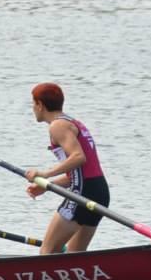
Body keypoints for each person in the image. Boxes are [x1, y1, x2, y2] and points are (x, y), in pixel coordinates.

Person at [23, 82, 109, 255]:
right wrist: (47, 186)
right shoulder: (73, 122)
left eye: (33, 104)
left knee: (46, 253)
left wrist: (44, 174)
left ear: (40, 104)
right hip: (99, 191)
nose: (32, 108)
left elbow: (78, 157)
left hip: (83, 193)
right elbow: (79, 173)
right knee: (74, 255)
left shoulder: (57, 125)